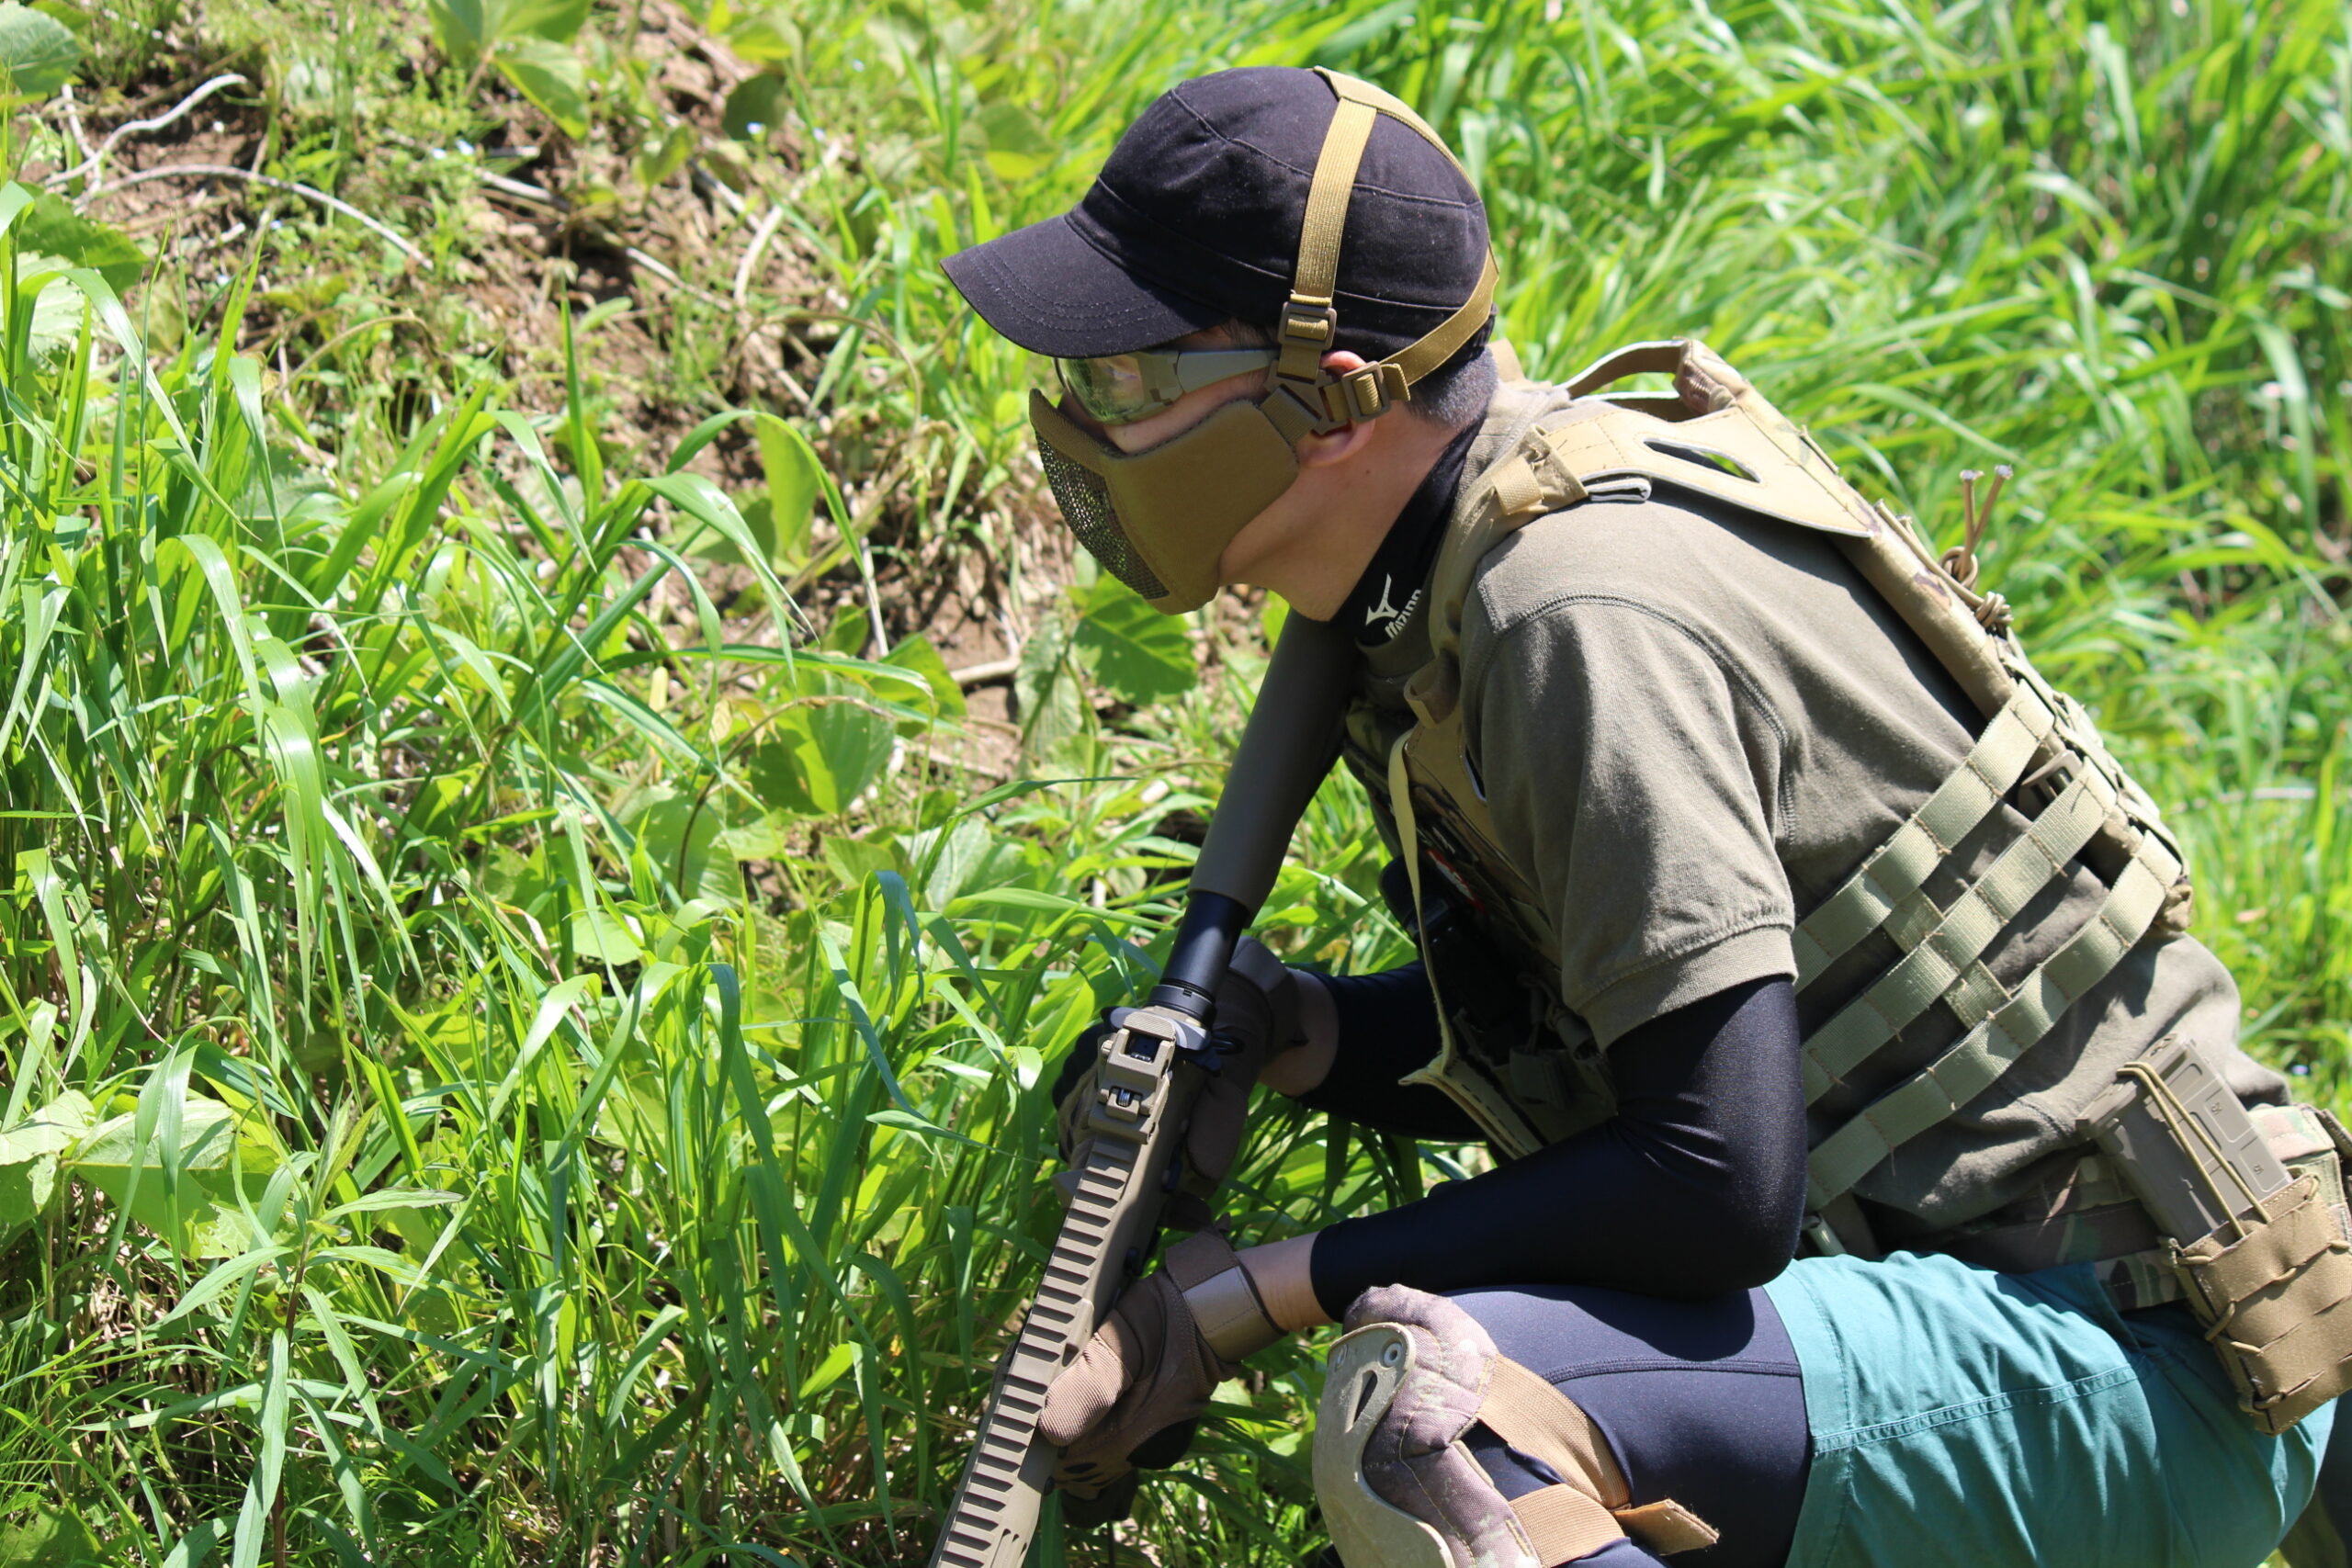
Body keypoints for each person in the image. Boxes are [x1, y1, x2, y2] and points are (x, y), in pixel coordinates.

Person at [942, 64, 2352, 1567]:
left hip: (2125, 1352)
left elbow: (1713, 1181)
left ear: (1331, 402)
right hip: (2027, 1316)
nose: (1082, 419)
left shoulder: (1568, 611)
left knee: (1442, 1422)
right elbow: (1651, 1046)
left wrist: (1242, 1298)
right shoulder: (1445, 584)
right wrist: (1308, 1036)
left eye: (1130, 378)